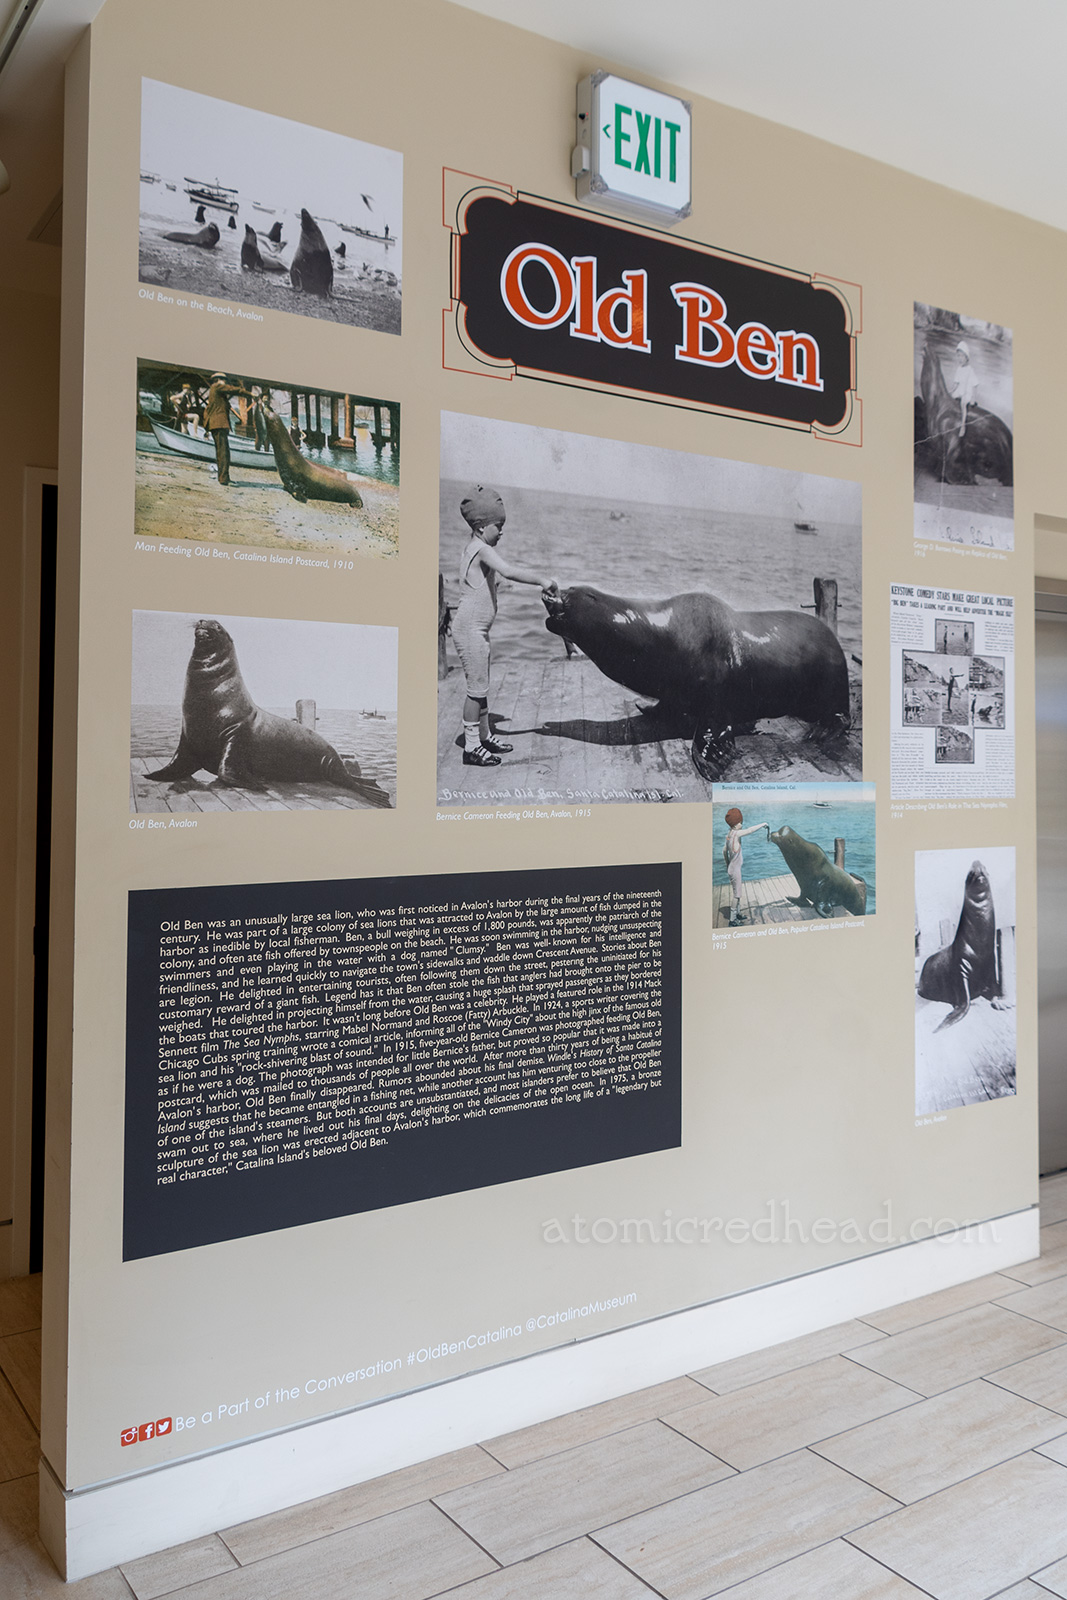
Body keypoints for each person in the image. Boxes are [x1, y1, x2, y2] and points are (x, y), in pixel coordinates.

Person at [451, 484, 550, 767]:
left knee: (481, 685)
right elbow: (508, 570)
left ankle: (483, 736)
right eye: (499, 525)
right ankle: (471, 748)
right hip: (471, 630)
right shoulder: (481, 549)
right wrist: (542, 580)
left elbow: (489, 582)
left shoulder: (475, 547)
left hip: (476, 630)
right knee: (476, 690)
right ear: (481, 527)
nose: (502, 531)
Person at [722, 807, 769, 927]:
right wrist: (762, 824)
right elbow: (750, 830)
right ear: (736, 824)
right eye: (740, 822)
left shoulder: (729, 835)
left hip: (732, 868)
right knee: (737, 895)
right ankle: (732, 920)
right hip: (735, 870)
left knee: (737, 892)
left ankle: (737, 914)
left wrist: (728, 864)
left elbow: (724, 851)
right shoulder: (737, 834)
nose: (742, 824)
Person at [202, 371, 250, 486]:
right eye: (224, 380)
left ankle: (224, 477)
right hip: (219, 425)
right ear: (218, 380)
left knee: (222, 452)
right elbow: (233, 390)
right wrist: (249, 394)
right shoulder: (217, 386)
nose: (225, 383)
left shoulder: (216, 392)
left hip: (216, 425)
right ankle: (223, 479)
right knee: (223, 453)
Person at [950, 340, 979, 436]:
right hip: (960, 390)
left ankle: (963, 426)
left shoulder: (970, 370)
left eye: (962, 356)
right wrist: (951, 392)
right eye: (958, 356)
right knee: (951, 399)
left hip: (967, 392)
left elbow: (975, 384)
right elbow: (956, 383)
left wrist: (973, 399)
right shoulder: (959, 369)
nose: (960, 358)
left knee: (963, 403)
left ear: (967, 357)